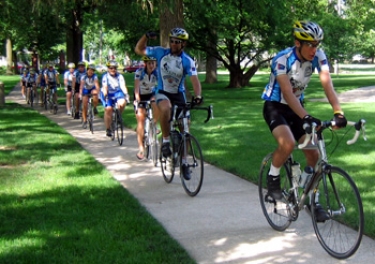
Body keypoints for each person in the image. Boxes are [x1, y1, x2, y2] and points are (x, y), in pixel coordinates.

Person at [261, 21, 347, 222]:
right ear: (297, 42)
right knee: (288, 143)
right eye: (310, 44)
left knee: (314, 154)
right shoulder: (282, 59)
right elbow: (287, 93)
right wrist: (306, 116)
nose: (314, 49)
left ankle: (311, 198)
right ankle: (273, 177)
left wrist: (338, 112)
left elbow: (328, 85)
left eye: (316, 44)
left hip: (297, 109)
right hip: (275, 106)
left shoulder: (318, 56)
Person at [134, 28, 203, 178]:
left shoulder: (187, 61)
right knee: (166, 108)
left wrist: (198, 95)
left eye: (177, 42)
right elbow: (139, 49)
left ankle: (184, 162)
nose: (173, 44)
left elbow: (195, 81)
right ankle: (165, 141)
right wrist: (145, 36)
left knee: (185, 127)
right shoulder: (160, 52)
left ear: (183, 44)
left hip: (179, 94)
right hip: (162, 92)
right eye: (171, 40)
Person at [133, 56, 158, 160]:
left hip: (152, 94)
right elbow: (136, 89)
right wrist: (138, 99)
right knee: (140, 119)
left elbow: (160, 87)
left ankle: (154, 126)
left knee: (157, 105)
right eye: (149, 63)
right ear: (145, 64)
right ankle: (141, 149)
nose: (151, 65)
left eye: (153, 63)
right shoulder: (139, 72)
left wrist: (156, 96)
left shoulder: (157, 73)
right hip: (141, 95)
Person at [100, 60, 129, 137]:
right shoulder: (105, 77)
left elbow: (123, 86)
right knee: (108, 109)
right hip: (108, 93)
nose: (113, 70)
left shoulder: (120, 76)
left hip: (117, 93)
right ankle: (108, 129)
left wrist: (126, 94)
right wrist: (106, 96)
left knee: (122, 102)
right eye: (111, 68)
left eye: (115, 68)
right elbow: (105, 87)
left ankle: (118, 116)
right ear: (108, 68)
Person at [79, 64, 100, 129]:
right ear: (87, 70)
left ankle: (95, 107)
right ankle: (85, 121)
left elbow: (97, 86)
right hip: (85, 89)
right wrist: (80, 94)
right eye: (90, 70)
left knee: (95, 94)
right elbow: (81, 86)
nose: (91, 72)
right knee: (85, 105)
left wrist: (98, 93)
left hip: (92, 89)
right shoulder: (83, 76)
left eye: (92, 70)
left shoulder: (95, 76)